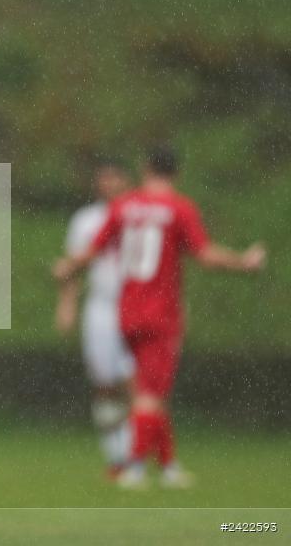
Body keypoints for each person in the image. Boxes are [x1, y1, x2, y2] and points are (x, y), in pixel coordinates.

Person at [53, 147, 266, 489]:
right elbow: (205, 255)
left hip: (126, 312)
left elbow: (92, 251)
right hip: (160, 314)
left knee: (147, 390)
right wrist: (244, 262)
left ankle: (168, 466)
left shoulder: (124, 207)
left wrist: (67, 268)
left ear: (144, 168)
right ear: (176, 173)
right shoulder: (179, 208)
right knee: (149, 393)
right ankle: (133, 468)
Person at [55, 160, 134, 480]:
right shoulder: (86, 220)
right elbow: (73, 268)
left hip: (134, 306)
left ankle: (135, 453)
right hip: (100, 307)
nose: (109, 184)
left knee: (135, 383)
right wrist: (67, 305)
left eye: (115, 178)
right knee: (104, 383)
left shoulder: (139, 213)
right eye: (103, 179)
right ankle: (117, 457)